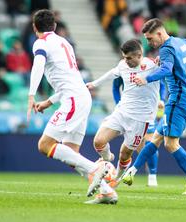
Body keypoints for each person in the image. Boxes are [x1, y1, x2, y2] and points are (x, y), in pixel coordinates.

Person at [26, 9, 117, 204]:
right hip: (81, 96)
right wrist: (49, 102)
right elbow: (69, 78)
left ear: (35, 27)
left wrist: (31, 95)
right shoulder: (64, 42)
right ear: (55, 26)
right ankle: (107, 192)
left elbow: (38, 65)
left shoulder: (41, 43)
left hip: (74, 100)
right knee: (70, 154)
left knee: (45, 145)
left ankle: (96, 168)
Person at [121, 18, 186, 195]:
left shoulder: (167, 48)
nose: (149, 43)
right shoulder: (182, 42)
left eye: (150, 38)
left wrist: (146, 78)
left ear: (160, 33)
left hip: (177, 100)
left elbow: (166, 70)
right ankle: (132, 172)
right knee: (155, 138)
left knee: (170, 144)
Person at [86, 39, 161, 187]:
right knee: (98, 141)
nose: (125, 61)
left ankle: (117, 179)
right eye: (124, 57)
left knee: (125, 154)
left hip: (141, 119)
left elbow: (169, 71)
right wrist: (94, 84)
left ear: (139, 55)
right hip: (122, 112)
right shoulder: (122, 65)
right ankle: (107, 159)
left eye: (128, 58)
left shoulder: (153, 65)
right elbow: (111, 74)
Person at [112, 69, 166, 186]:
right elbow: (116, 87)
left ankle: (152, 176)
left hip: (148, 108)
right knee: (137, 145)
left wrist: (161, 98)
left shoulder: (148, 68)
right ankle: (126, 172)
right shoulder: (122, 69)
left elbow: (161, 85)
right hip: (130, 110)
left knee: (150, 142)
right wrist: (118, 104)